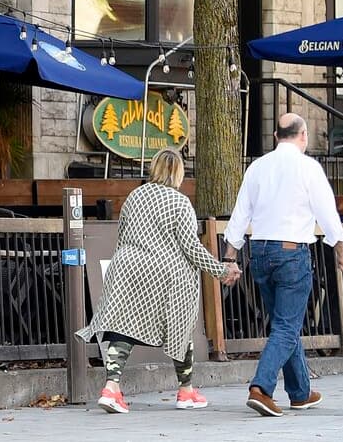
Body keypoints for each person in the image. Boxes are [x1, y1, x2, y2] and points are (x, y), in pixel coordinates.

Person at [76, 148, 241, 415]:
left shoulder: (135, 196)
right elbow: (191, 248)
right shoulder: (179, 202)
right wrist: (220, 270)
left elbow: (122, 235)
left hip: (126, 267)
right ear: (177, 172)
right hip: (165, 273)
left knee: (123, 326)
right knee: (181, 325)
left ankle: (112, 388)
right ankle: (186, 390)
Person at [223, 112, 343, 417]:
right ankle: (261, 387)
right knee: (286, 325)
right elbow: (328, 214)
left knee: (284, 322)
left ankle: (300, 392)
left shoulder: (257, 167)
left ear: (276, 136)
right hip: (292, 252)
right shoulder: (309, 168)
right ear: (303, 135)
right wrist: (341, 251)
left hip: (260, 252)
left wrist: (229, 257)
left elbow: (240, 215)